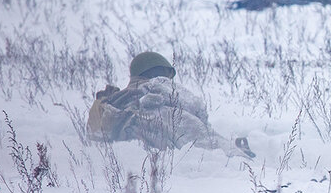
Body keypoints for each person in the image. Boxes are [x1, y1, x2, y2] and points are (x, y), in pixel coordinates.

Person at [88, 51, 255, 159]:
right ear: (161, 72)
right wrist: (236, 155)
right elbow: (203, 139)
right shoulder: (164, 101)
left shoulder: (118, 101)